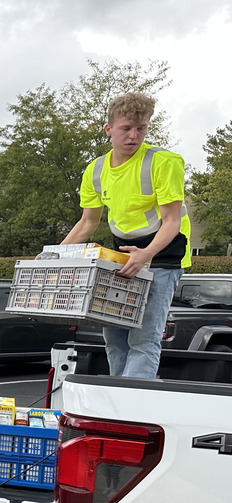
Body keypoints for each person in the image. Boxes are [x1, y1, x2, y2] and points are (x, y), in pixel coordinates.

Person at [62, 92, 191, 378]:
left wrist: (147, 254)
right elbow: (87, 222)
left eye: (141, 128)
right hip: (121, 257)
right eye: (126, 128)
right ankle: (117, 402)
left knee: (144, 339)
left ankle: (130, 408)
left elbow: (171, 221)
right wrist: (53, 256)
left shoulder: (164, 162)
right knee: (116, 338)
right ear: (109, 129)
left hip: (162, 256)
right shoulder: (96, 170)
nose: (134, 136)